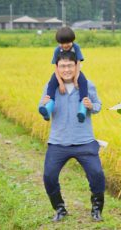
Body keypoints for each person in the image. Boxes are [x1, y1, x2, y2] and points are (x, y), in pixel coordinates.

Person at [39, 51, 105, 222]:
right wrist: (45, 107)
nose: (66, 69)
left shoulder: (87, 85)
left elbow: (98, 106)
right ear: (57, 68)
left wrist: (91, 106)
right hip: (58, 142)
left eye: (70, 65)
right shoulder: (50, 86)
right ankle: (60, 209)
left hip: (84, 140)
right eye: (63, 66)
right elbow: (44, 112)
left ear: (76, 66)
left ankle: (96, 209)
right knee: (49, 176)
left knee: (97, 174)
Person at [39, 26, 88, 123]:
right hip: (60, 72)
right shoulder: (57, 50)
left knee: (83, 82)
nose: (66, 45)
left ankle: (82, 110)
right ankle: (48, 109)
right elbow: (56, 67)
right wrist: (60, 83)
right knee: (52, 84)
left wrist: (76, 78)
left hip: (75, 70)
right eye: (63, 43)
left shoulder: (76, 47)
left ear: (72, 40)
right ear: (59, 43)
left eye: (68, 43)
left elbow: (78, 63)